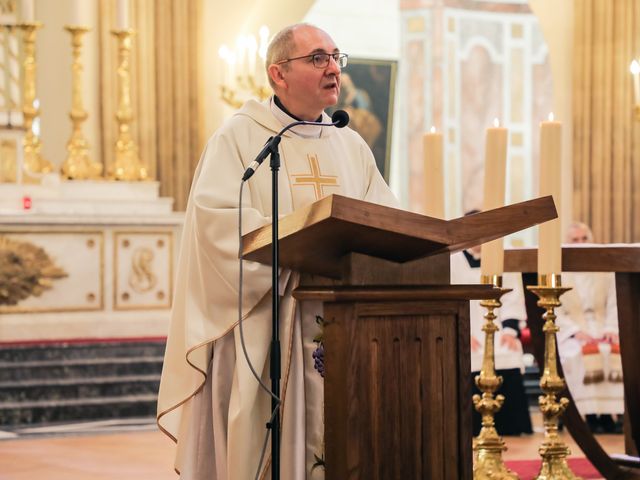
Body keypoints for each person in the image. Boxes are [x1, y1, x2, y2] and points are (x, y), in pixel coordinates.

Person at [156, 23, 398, 479]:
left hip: (343, 318)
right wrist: (295, 250)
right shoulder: (242, 138)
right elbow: (216, 223)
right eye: (318, 58)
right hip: (268, 320)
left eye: (336, 57)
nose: (333, 69)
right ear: (278, 74)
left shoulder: (351, 144)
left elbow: (384, 218)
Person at [450, 229, 533, 436]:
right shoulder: (452, 260)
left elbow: (512, 298)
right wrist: (463, 332)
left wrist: (510, 331)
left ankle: (510, 425)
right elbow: (449, 298)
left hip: (498, 327)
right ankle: (472, 425)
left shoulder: (503, 258)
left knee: (508, 352)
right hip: (466, 327)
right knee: (470, 355)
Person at [555, 221, 623, 433]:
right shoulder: (559, 273)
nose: (581, 244)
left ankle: (614, 414)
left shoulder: (605, 270)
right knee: (578, 355)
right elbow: (555, 309)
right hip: (574, 332)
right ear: (567, 243)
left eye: (584, 239)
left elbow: (615, 303)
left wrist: (611, 329)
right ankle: (590, 414)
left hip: (603, 328)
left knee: (614, 352)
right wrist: (576, 332)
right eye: (575, 240)